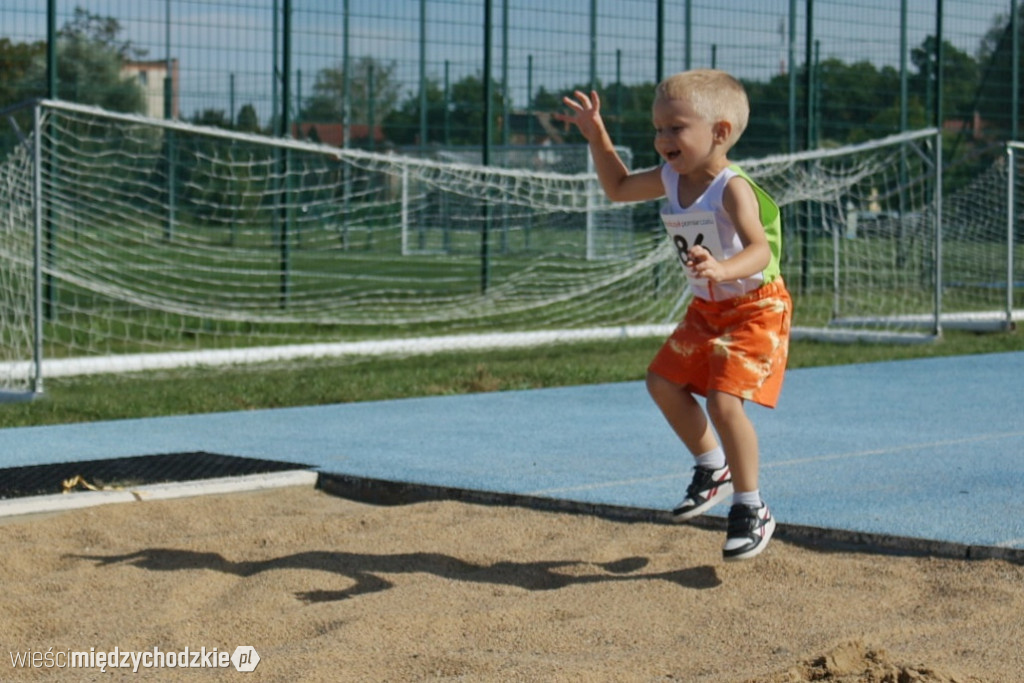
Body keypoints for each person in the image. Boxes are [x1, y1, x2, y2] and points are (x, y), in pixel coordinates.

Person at [555, 69, 791, 561]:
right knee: (662, 382)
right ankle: (713, 467)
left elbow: (761, 251)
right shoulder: (669, 177)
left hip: (756, 308)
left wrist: (724, 267)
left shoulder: (732, 188)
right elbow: (618, 187)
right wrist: (597, 135)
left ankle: (751, 507)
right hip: (710, 306)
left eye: (676, 128)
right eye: (658, 128)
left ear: (719, 133)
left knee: (726, 405)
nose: (663, 139)